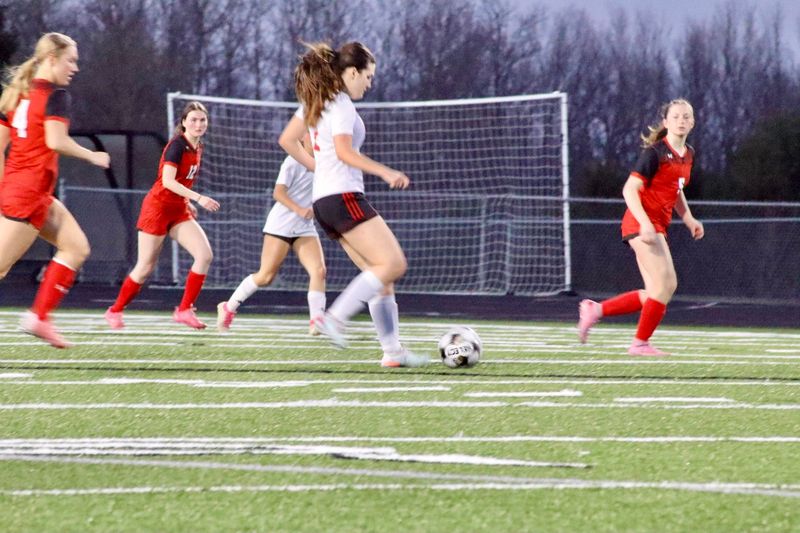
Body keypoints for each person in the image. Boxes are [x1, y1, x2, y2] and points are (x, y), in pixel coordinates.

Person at [278, 41, 427, 368]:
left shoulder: (316, 101)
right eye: (368, 76)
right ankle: (335, 318)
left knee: (378, 277)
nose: (370, 83)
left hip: (323, 201)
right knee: (393, 264)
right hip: (344, 197)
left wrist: (319, 167)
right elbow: (345, 153)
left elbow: (288, 140)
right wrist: (386, 172)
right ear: (352, 72)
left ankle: (393, 352)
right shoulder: (341, 103)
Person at [0, 33, 110, 348]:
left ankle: (40, 317)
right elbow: (56, 141)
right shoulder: (54, 95)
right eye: (70, 60)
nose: (74, 67)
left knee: (76, 248)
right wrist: (93, 155)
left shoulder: (18, 91)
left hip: (27, 190)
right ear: (51, 58)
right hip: (29, 193)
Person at [577, 98, 704, 356]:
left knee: (655, 293)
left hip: (656, 225)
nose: (681, 120)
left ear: (692, 122)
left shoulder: (688, 154)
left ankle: (596, 310)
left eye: (686, 116)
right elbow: (629, 189)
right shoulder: (655, 152)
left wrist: (688, 218)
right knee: (667, 285)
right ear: (666, 122)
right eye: (676, 116)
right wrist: (646, 224)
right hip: (641, 222)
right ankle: (639, 344)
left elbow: (675, 189)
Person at [104, 101, 220, 330]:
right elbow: (167, 182)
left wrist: (187, 202)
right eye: (193, 120)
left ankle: (184, 310)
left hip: (178, 210)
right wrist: (198, 198)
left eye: (202, 120)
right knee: (146, 266)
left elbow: (182, 182)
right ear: (184, 122)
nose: (198, 124)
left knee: (204, 255)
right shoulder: (177, 146)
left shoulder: (198, 147)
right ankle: (115, 311)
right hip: (157, 209)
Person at [216, 133, 326, 333]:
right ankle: (227, 307)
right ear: (302, 138)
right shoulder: (292, 161)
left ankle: (316, 321)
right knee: (266, 277)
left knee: (319, 271)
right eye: (311, 134)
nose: (316, 139)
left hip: (304, 227)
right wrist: (300, 209)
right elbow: (278, 193)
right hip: (281, 225)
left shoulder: (324, 163)